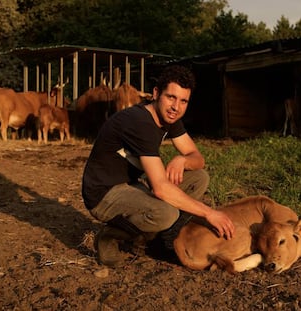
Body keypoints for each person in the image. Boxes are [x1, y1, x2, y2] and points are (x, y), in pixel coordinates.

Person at [82, 65, 235, 267]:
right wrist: (209, 213)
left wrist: (183, 159)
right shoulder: (139, 122)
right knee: (165, 212)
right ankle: (110, 236)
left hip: (131, 184)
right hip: (104, 193)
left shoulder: (170, 118)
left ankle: (156, 239)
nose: (176, 107)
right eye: (171, 97)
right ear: (156, 94)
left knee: (199, 177)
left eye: (183, 101)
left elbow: (197, 157)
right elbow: (161, 188)